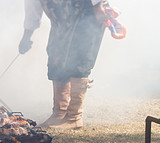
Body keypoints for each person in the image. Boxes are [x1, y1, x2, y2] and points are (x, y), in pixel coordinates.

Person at [19, 0, 108, 129]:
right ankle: (59, 114)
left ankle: (74, 118)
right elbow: (32, 12)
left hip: (88, 16)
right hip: (60, 25)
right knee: (56, 59)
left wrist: (99, 6)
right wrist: (26, 37)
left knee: (80, 61)